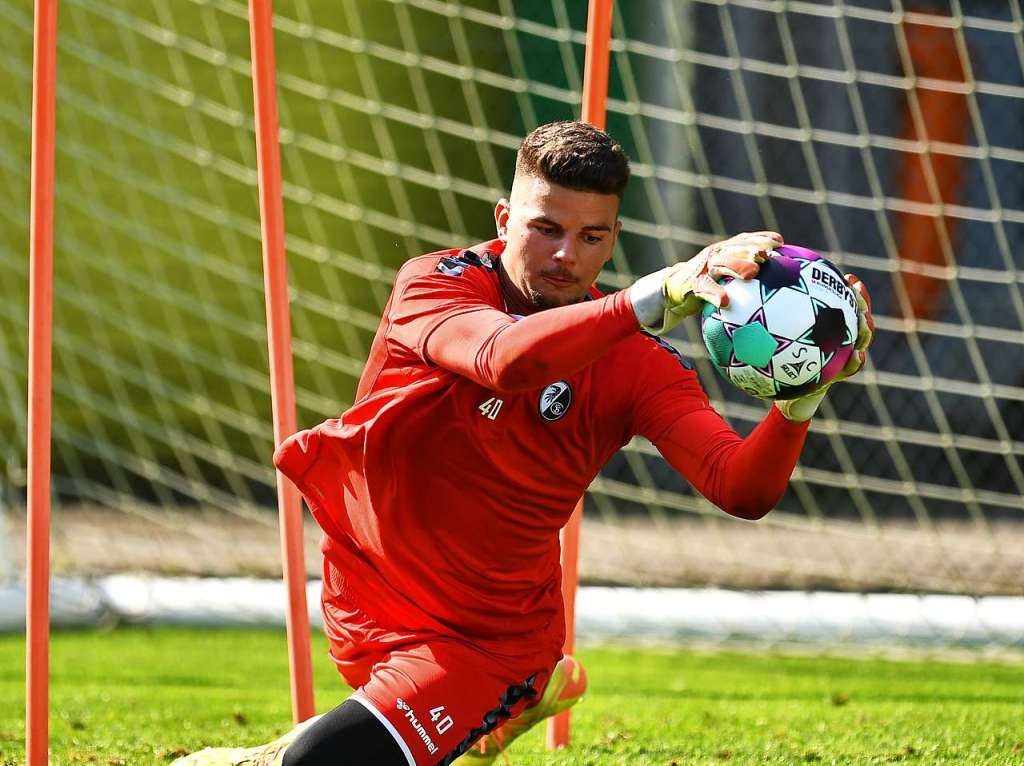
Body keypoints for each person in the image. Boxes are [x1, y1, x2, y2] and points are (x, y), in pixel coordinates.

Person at [175, 121, 872, 766]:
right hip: (367, 594)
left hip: (488, 642)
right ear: (504, 220)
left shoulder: (638, 363)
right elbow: (508, 362)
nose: (567, 255)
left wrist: (799, 400)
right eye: (546, 229)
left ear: (613, 237)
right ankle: (474, 712)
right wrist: (655, 292)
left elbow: (740, 487)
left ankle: (513, 691)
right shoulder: (436, 283)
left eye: (593, 237)